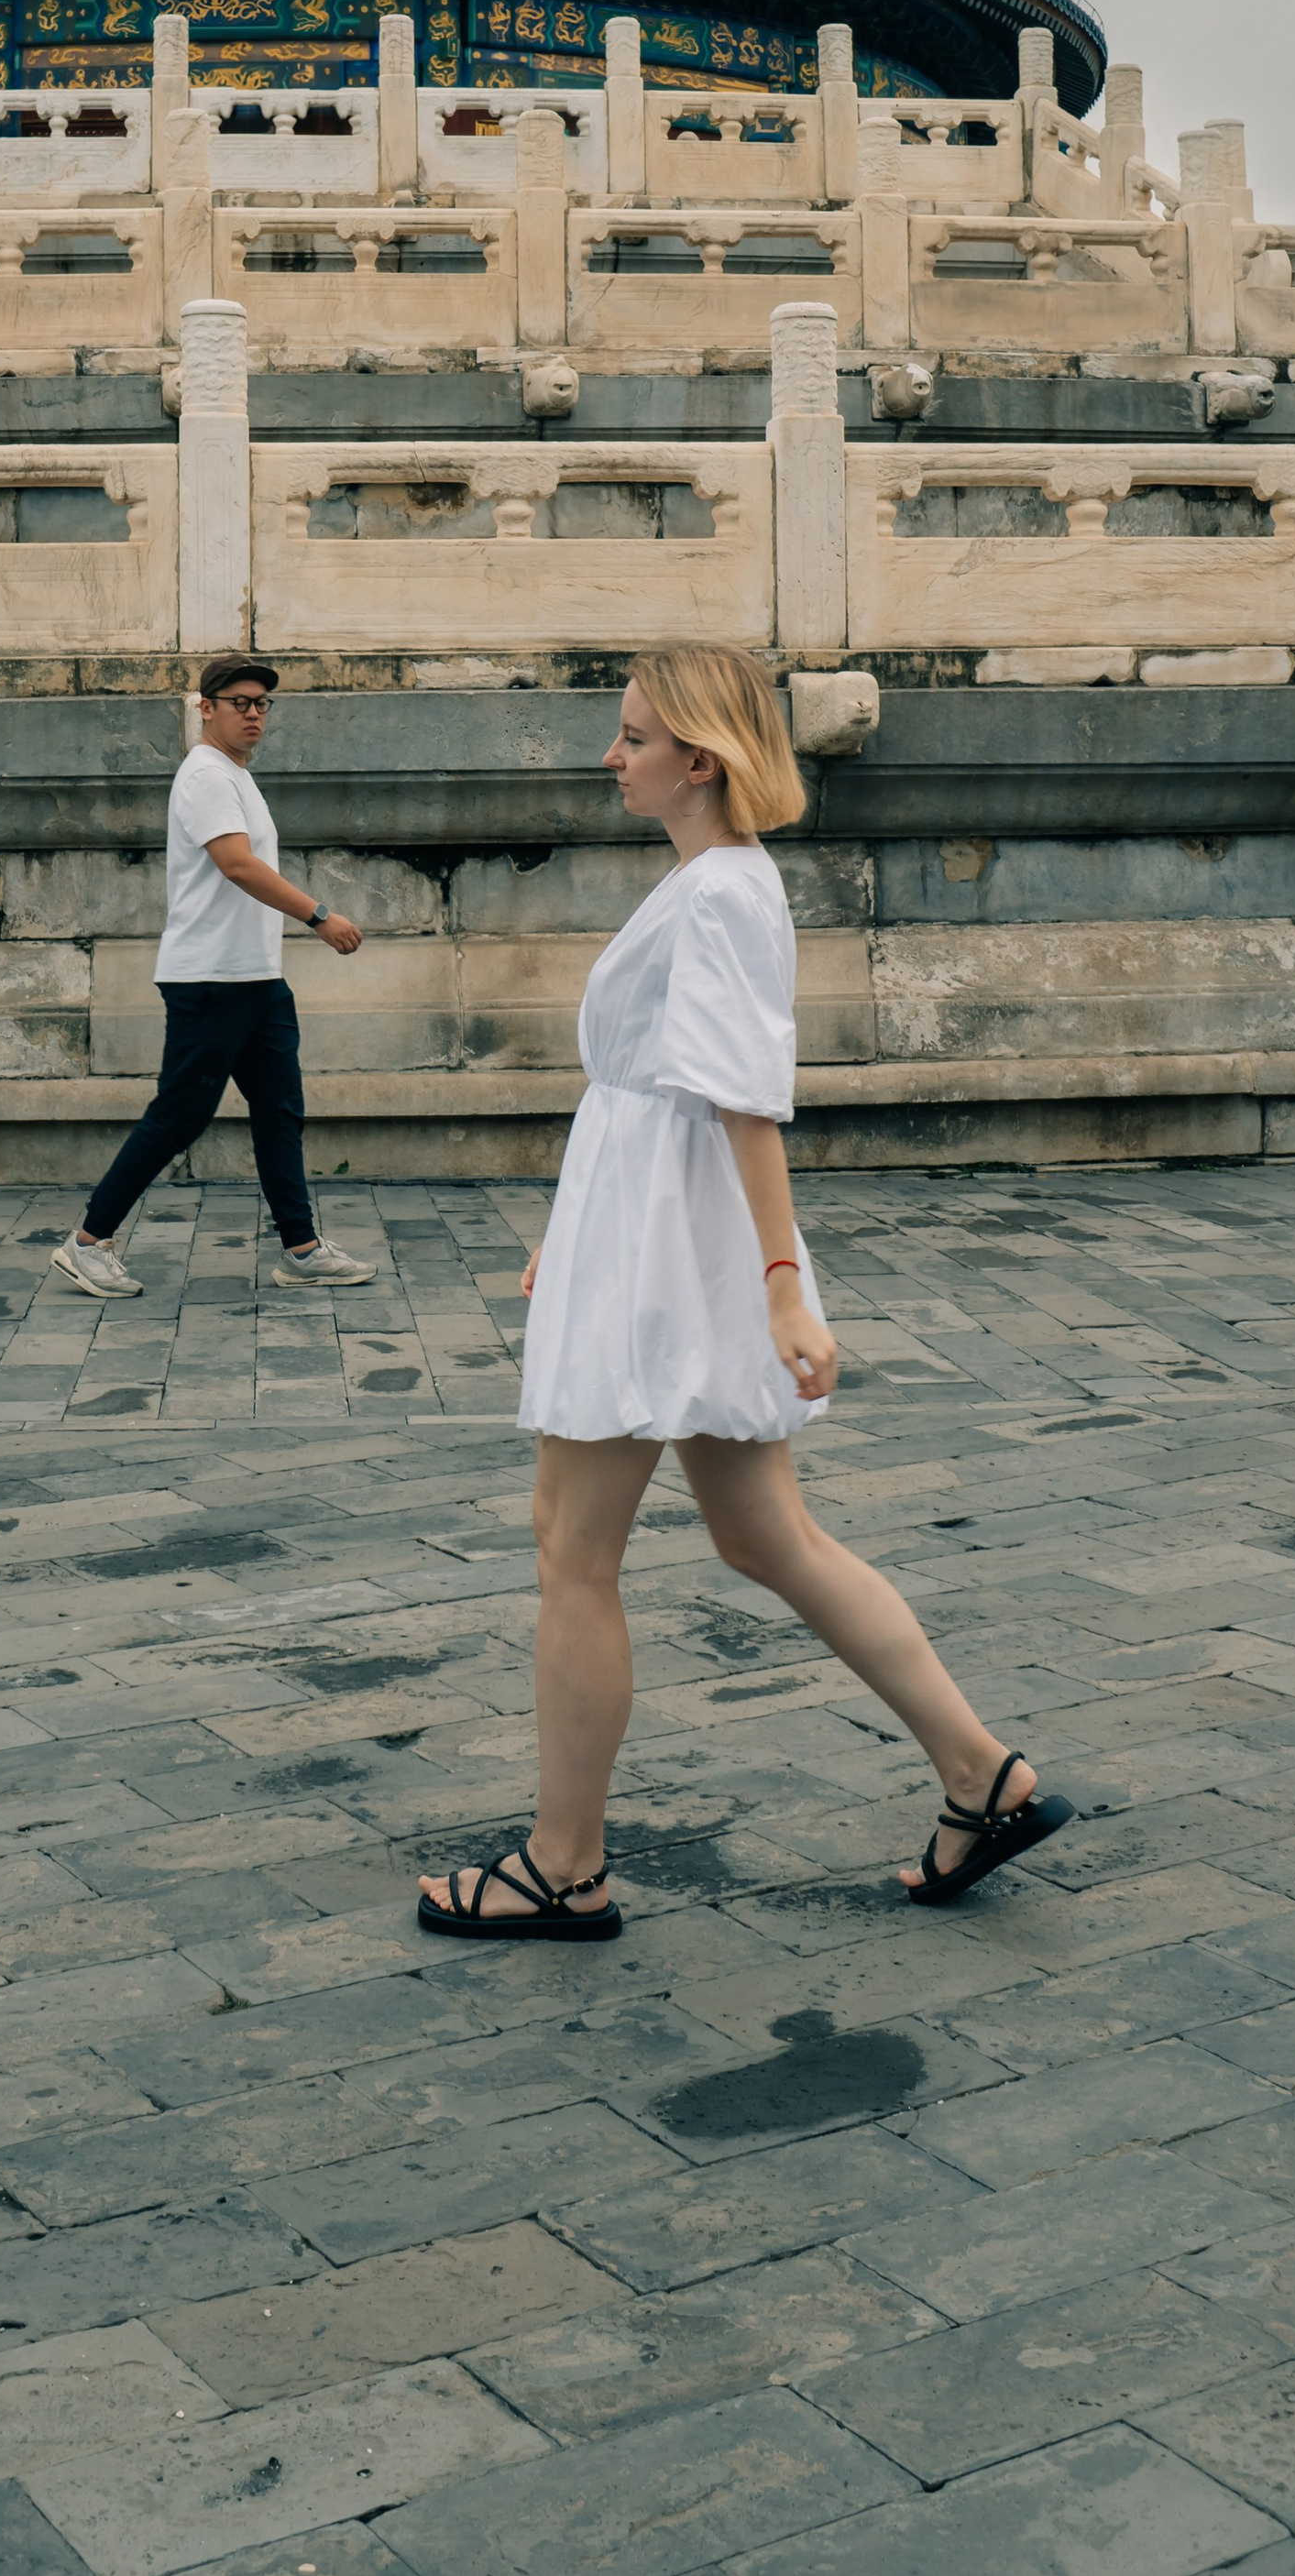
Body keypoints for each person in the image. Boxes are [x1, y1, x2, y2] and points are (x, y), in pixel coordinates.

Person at [420, 641, 1070, 1938]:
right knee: (765, 1536)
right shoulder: (716, 882)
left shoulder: (718, 892)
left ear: (698, 760)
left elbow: (743, 1103)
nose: (613, 756)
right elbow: (655, 1090)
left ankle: (565, 1864)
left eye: (634, 737)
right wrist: (580, 1225)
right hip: (654, 1225)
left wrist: (781, 1289)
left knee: (573, 1549)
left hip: (677, 1240)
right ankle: (979, 1773)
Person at [54, 656, 378, 1297]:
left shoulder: (234, 774)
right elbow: (236, 865)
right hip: (209, 979)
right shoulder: (204, 775)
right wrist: (318, 915)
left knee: (280, 1113)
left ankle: (302, 1250)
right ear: (206, 707)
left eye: (262, 704)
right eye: (240, 702)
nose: (253, 713)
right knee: (179, 1115)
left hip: (256, 978)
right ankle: (87, 1244)